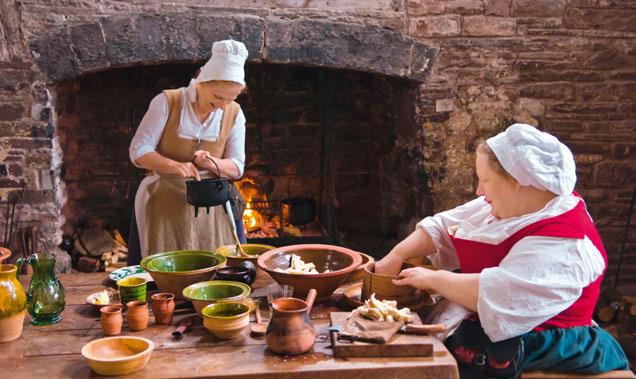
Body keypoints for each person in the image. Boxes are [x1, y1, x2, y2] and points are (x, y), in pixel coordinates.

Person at [375, 123, 628, 378]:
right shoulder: (519, 203)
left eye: (485, 180)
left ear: (518, 180)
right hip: (498, 320)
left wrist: (434, 279)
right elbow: (444, 226)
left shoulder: (566, 240)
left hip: (546, 336)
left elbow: (504, 294)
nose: (479, 191)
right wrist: (396, 255)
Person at [127, 40, 249, 263]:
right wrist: (174, 166)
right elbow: (138, 150)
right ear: (202, 83)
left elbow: (237, 167)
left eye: (231, 99)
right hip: (164, 191)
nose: (223, 105)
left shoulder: (234, 114)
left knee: (220, 265)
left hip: (213, 196)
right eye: (218, 97)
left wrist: (212, 162)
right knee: (164, 263)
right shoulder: (168, 102)